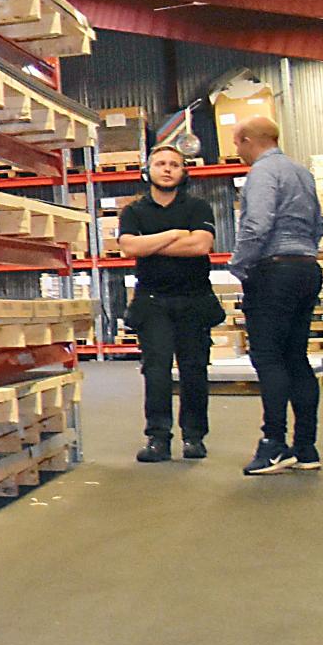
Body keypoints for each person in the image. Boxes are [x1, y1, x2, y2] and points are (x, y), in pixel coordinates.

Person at [228, 116, 323, 475]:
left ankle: (273, 445)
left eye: (237, 145)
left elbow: (257, 225)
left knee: (268, 358)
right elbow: (318, 226)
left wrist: (240, 266)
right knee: (296, 357)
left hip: (274, 271)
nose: (237, 152)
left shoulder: (262, 173)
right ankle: (306, 447)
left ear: (248, 140)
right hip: (306, 268)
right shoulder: (302, 173)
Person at [116, 145, 223, 462]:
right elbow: (128, 248)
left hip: (194, 300)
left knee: (194, 370)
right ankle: (158, 438)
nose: (166, 169)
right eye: (160, 163)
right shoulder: (134, 211)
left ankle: (194, 437)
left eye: (174, 164)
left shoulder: (198, 208)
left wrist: (150, 243)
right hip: (152, 303)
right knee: (156, 371)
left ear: (183, 172)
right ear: (147, 171)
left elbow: (200, 246)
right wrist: (175, 234)